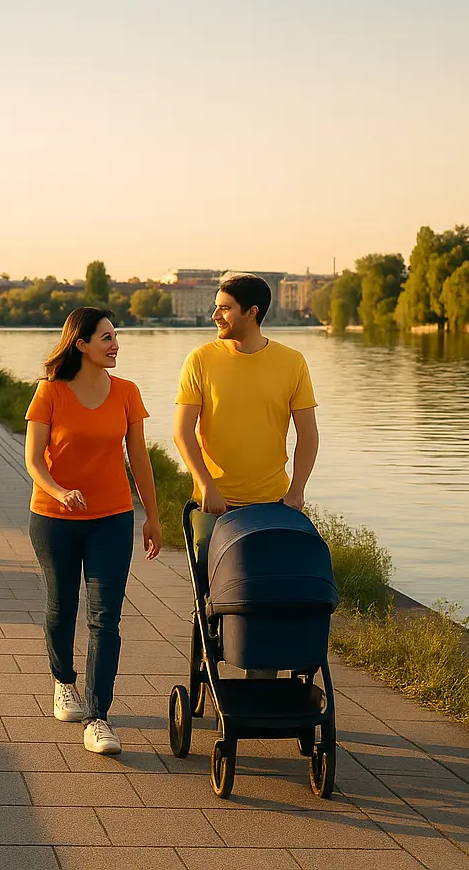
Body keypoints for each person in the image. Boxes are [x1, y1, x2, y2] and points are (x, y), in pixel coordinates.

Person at [24, 307, 160, 756]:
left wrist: (152, 516)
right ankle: (64, 683)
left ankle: (99, 717)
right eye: (106, 337)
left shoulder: (127, 393)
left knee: (106, 617)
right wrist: (60, 491)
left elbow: (139, 459)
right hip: (54, 518)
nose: (115, 343)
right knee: (61, 608)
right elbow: (33, 461)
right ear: (80, 344)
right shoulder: (49, 393)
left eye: (116, 335)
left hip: (113, 518)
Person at [172, 273, 319, 678]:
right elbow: (182, 432)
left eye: (224, 307)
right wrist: (206, 484)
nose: (215, 313)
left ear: (251, 312)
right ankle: (216, 663)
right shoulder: (201, 360)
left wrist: (296, 491)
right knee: (214, 598)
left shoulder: (292, 362)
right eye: (217, 306)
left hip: (273, 505)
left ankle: (263, 685)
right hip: (216, 506)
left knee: (271, 597)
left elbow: (308, 435)